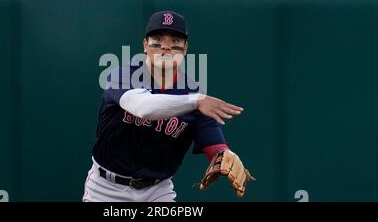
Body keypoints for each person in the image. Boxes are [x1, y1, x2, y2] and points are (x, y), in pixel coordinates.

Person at [83, 11, 252, 202]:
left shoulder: (194, 94)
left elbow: (213, 144)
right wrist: (195, 101)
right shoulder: (122, 76)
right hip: (106, 189)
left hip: (157, 190)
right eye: (158, 38)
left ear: (185, 48)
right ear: (145, 45)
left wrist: (224, 155)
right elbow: (144, 107)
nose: (166, 46)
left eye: (175, 40)